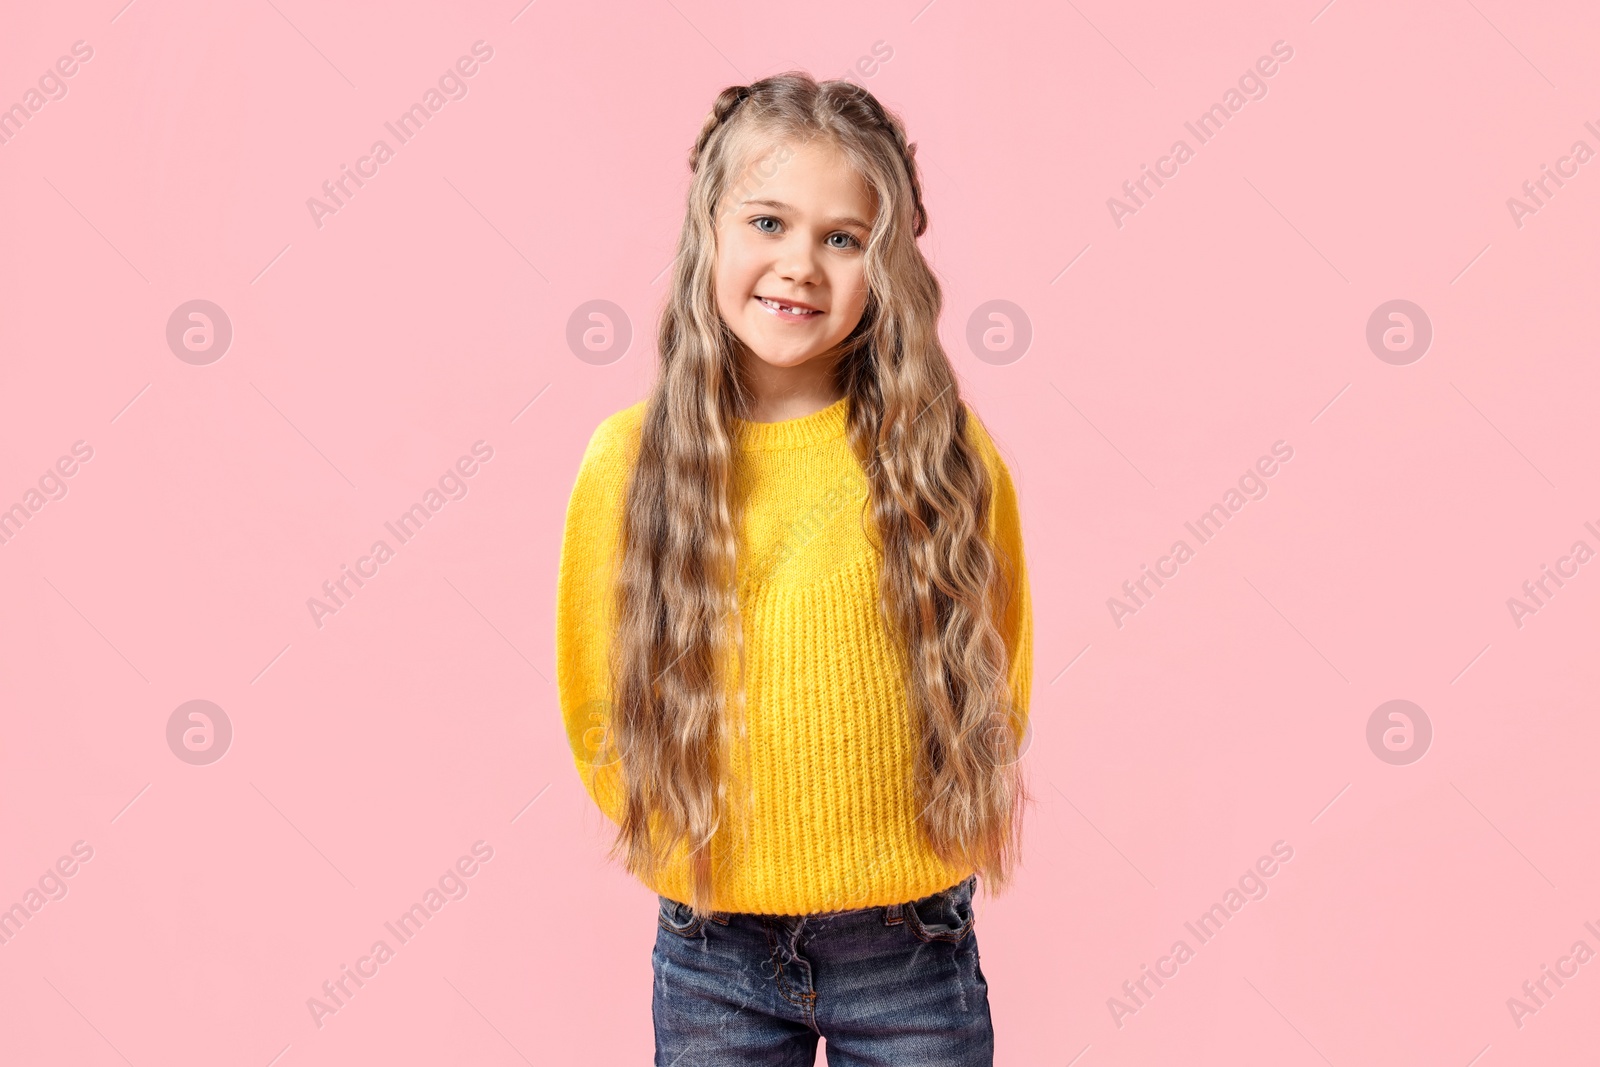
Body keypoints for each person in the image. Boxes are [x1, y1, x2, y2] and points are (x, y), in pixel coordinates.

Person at [555, 70, 1034, 1067]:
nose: (799, 266)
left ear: (886, 262)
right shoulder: (628, 461)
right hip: (710, 943)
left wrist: (931, 825)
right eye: (767, 221)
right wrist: (674, 831)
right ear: (709, 231)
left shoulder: (942, 453)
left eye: (841, 238)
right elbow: (596, 690)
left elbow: (999, 661)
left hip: (908, 940)